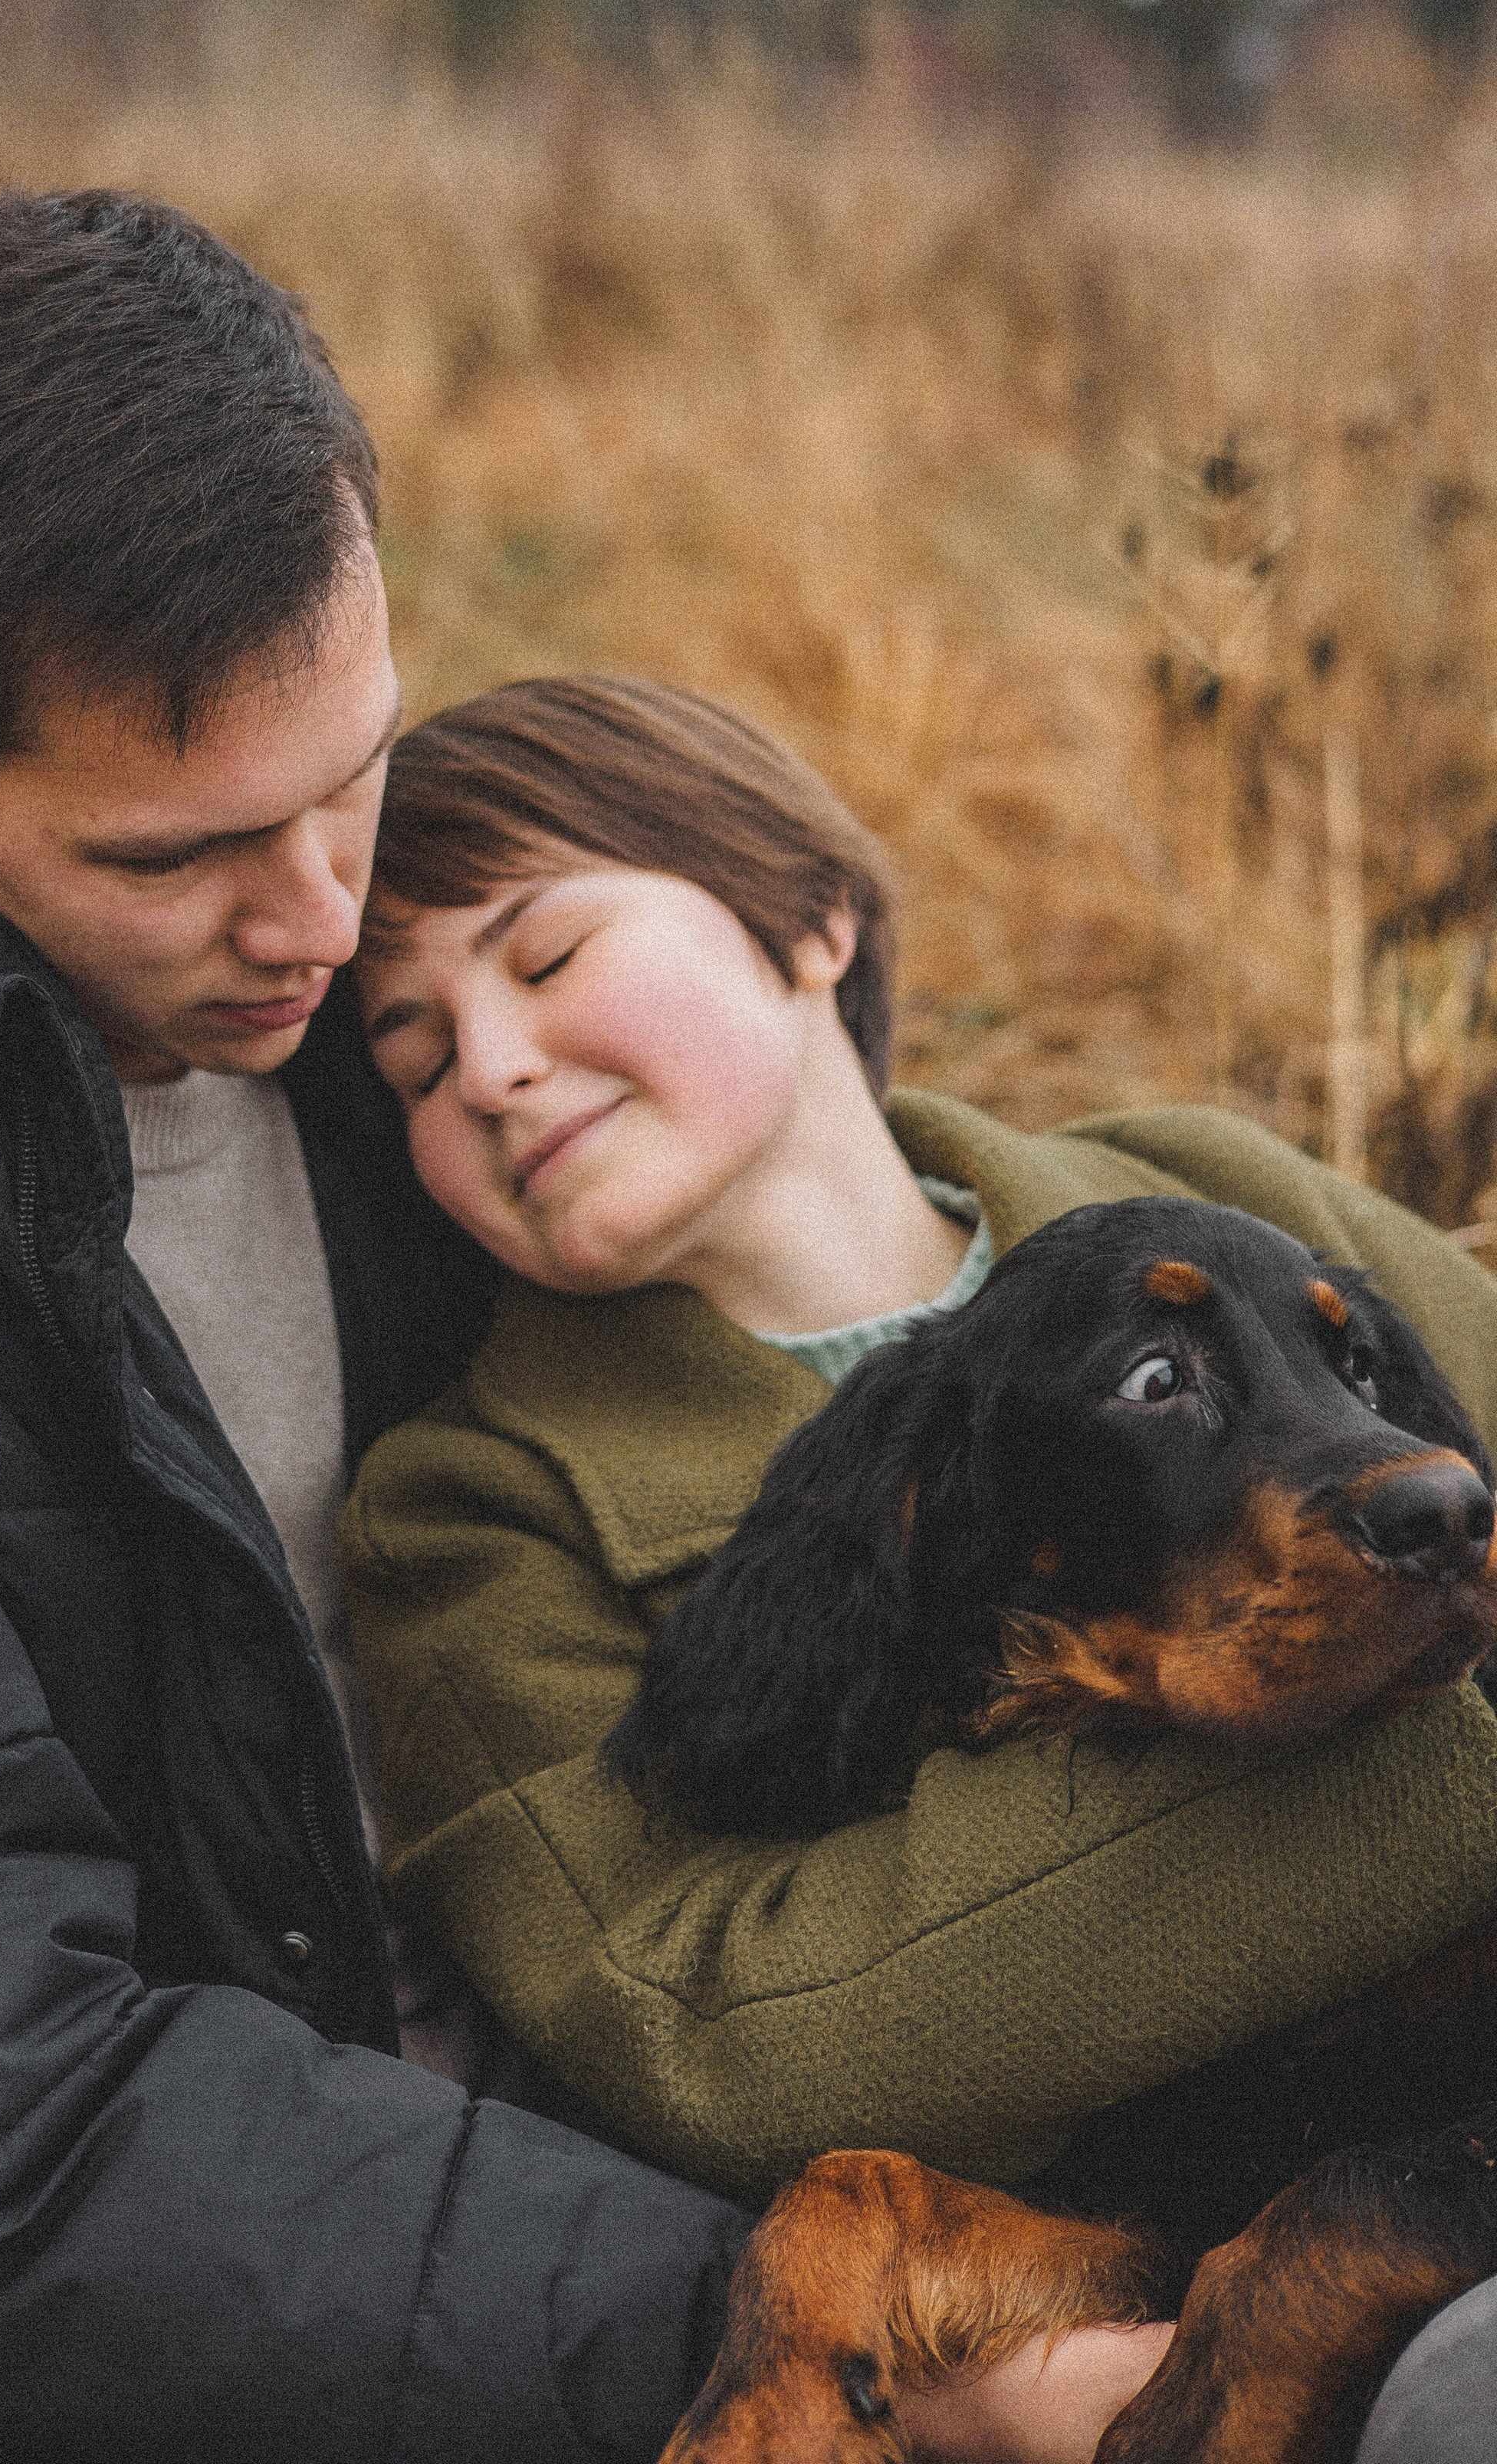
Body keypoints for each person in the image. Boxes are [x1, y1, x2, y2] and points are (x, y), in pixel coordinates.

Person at [0, 193, 767, 2464]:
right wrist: (785, 2336)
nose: (321, 922)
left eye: (352, 775)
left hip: (612, 2159)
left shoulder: (434, 972)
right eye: (171, 857)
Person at [340, 674, 1497, 2219]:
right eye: (412, 1058)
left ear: (810, 918)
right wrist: (1403, 1744)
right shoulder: (469, 1516)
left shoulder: (1209, 1183)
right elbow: (713, 2045)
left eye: (544, 954)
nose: (485, 1068)